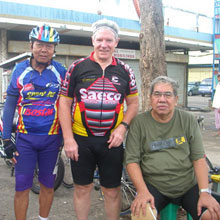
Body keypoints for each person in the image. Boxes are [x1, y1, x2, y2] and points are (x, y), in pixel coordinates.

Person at [59, 18, 139, 220]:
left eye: (109, 40)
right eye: (100, 40)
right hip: (81, 140)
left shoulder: (125, 70)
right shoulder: (77, 67)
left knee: (112, 190)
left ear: (116, 42)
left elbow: (134, 104)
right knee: (82, 188)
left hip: (111, 141)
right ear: (92, 41)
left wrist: (122, 128)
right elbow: (64, 104)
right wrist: (68, 139)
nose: (104, 44)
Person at [124, 76, 220, 220]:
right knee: (142, 216)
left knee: (212, 214)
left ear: (176, 99)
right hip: (154, 185)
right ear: (150, 98)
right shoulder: (139, 123)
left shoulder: (187, 120)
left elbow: (198, 158)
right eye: (157, 94)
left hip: (187, 184)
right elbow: (132, 161)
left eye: (168, 95)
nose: (162, 99)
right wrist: (142, 191)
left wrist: (205, 192)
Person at [2, 24, 66, 220]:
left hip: (51, 140)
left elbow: (67, 106)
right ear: (31, 45)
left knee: (48, 185)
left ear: (54, 49)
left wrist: (66, 137)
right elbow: (10, 104)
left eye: (49, 46)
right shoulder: (20, 70)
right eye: (39, 44)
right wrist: (6, 140)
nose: (44, 50)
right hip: (25, 140)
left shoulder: (61, 71)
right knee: (22, 187)